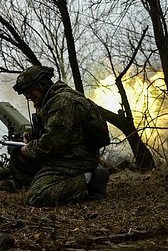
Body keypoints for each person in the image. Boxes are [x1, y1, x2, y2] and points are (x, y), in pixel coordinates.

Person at [10, 65, 110, 207]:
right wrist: (32, 138)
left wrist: (28, 148)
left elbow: (50, 144)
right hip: (66, 155)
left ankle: (90, 180)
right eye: (25, 93)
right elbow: (54, 133)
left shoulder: (63, 102)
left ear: (42, 85)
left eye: (30, 90)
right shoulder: (51, 101)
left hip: (75, 160)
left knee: (36, 196)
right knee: (18, 156)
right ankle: (47, 182)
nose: (28, 96)